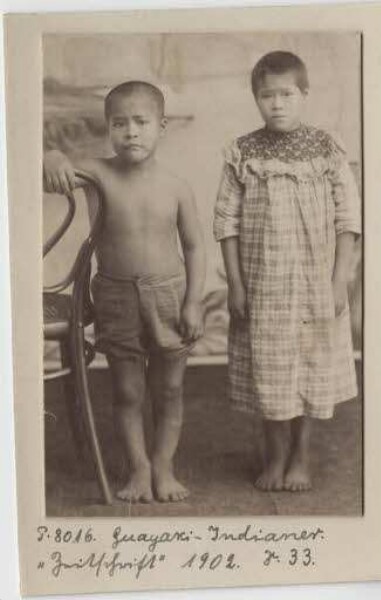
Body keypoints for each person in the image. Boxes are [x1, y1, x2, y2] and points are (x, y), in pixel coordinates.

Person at [44, 81, 206, 503]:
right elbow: (49, 172)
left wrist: (193, 302)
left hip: (169, 295)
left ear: (162, 126)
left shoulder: (176, 186)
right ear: (108, 129)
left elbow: (194, 246)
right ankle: (139, 467)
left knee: (169, 389)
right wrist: (53, 155)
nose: (131, 132)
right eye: (120, 123)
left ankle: (164, 465)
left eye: (141, 122)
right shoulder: (97, 172)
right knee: (127, 390)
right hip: (117, 297)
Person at [214, 51, 361, 492]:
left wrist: (339, 281)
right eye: (267, 95)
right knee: (271, 371)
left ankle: (301, 455)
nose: (276, 104)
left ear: (304, 95)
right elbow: (226, 223)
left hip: (316, 284)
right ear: (256, 99)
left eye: (286, 94)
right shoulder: (243, 153)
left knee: (311, 367)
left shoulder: (326, 150)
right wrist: (236, 285)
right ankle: (274, 455)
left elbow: (348, 219)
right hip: (265, 287)